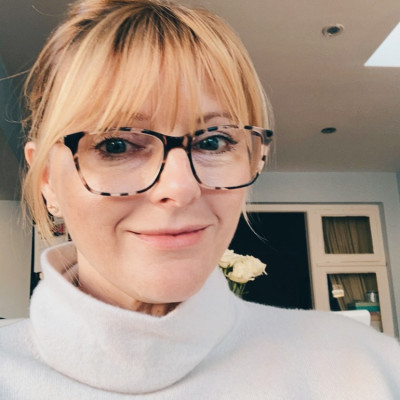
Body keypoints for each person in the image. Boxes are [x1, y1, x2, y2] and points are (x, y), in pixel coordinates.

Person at [1, 0, 400, 398]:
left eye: (213, 141)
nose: (180, 188)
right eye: (117, 145)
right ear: (48, 180)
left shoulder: (368, 368)